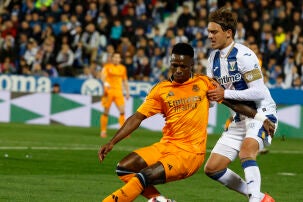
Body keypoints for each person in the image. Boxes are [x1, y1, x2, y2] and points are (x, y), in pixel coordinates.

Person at [98, 43, 275, 202]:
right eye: (175, 65)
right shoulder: (161, 90)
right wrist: (112, 142)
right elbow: (137, 117)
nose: (178, 70)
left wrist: (261, 118)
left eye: (183, 66)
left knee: (145, 176)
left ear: (192, 66)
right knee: (124, 169)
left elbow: (232, 103)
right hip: (166, 146)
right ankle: (159, 200)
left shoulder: (204, 83)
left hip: (190, 154)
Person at [205, 7, 278, 202]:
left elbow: (259, 91)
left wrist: (224, 93)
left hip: (261, 113)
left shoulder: (244, 56)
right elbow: (213, 96)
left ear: (228, 33)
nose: (209, 36)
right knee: (212, 168)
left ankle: (254, 200)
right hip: (239, 117)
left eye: (214, 32)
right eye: (209, 32)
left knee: (247, 152)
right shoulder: (212, 59)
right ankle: (260, 197)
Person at [100, 51, 130, 138]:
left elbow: (125, 80)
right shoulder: (107, 67)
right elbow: (102, 76)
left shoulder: (123, 68)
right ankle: (103, 131)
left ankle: (122, 131)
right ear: (112, 58)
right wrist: (105, 83)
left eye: (118, 57)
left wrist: (127, 92)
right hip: (108, 92)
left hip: (118, 92)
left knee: (122, 111)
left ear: (120, 59)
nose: (116, 59)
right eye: (115, 57)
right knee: (106, 112)